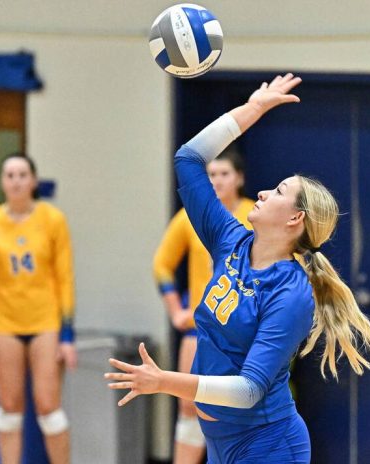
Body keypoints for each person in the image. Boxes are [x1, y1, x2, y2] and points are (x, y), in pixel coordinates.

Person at [105, 74, 370, 463]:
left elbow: (248, 390)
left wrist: (163, 381)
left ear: (295, 219)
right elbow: (189, 159)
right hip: (220, 440)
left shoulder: (291, 292)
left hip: (266, 444)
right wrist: (252, 109)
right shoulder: (231, 241)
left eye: (278, 191)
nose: (262, 192)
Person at [0, 153, 76, 464]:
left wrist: (67, 335)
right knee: (8, 407)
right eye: (10, 175)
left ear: (33, 181)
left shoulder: (53, 220)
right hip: (5, 324)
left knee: (49, 407)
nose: (16, 181)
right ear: (2, 182)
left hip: (45, 322)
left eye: (22, 175)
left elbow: (64, 278)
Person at [153, 149, 255, 463]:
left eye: (224, 173)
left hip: (240, 330)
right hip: (200, 326)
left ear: (239, 178)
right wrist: (175, 310)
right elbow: (161, 265)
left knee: (237, 407)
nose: (217, 180)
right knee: (189, 404)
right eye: (211, 174)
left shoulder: (255, 215)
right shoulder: (190, 216)